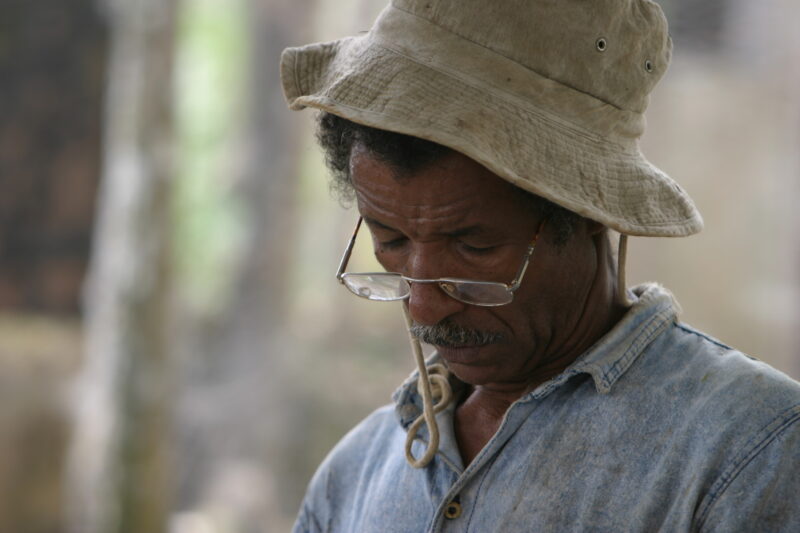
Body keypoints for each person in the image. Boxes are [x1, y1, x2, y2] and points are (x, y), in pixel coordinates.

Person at [280, 0, 800, 531]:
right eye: (390, 239)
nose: (424, 305)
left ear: (592, 208)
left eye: (473, 247)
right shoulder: (352, 477)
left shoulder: (754, 453)